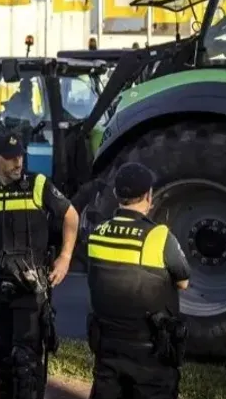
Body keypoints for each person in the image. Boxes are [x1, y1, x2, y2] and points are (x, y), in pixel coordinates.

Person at [0, 133, 79, 399]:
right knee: (2, 355)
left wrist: (65, 258)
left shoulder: (38, 184)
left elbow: (71, 215)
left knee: (26, 360)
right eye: (10, 158)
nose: (18, 163)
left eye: (20, 157)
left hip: (30, 290)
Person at [85, 162, 191, 399]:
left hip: (108, 347)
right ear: (148, 195)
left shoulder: (97, 233)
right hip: (150, 354)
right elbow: (183, 282)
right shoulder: (159, 236)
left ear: (116, 194)